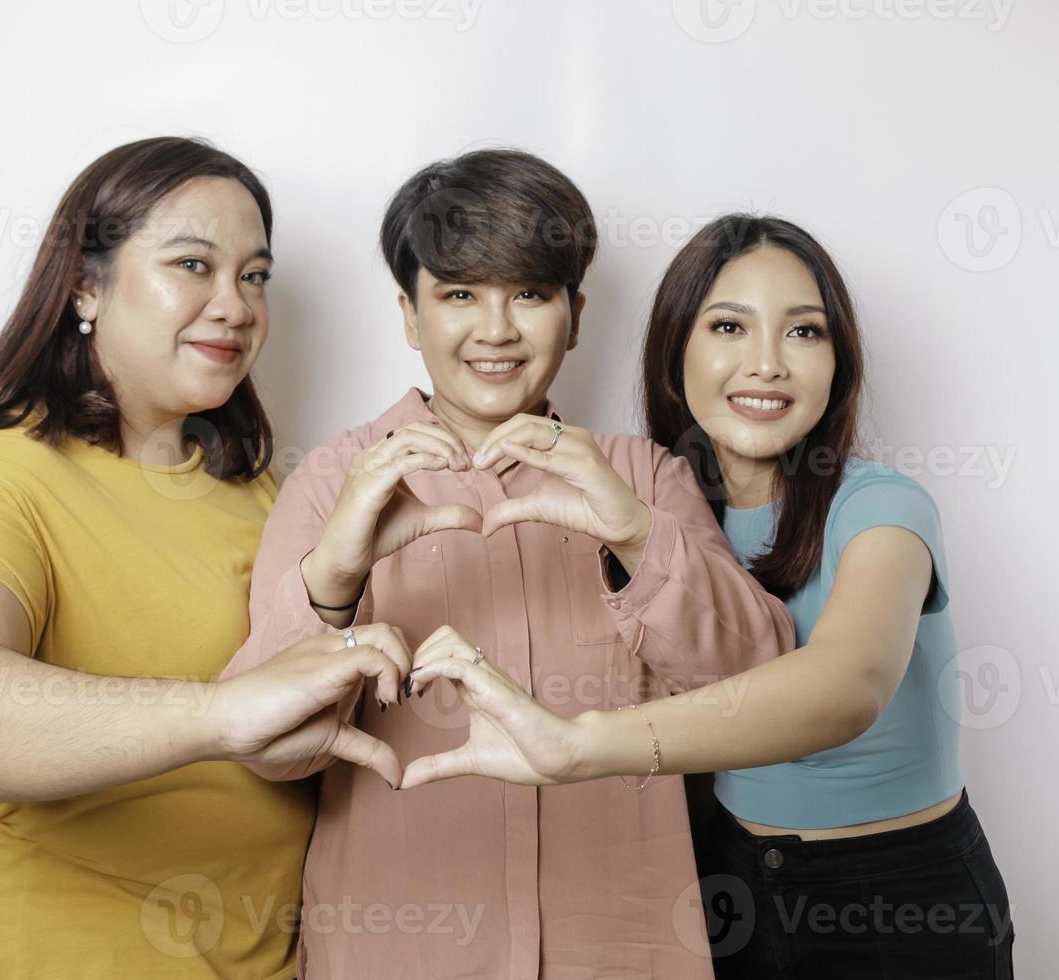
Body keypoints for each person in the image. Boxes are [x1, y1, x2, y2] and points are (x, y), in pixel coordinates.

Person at [0, 136, 412, 979]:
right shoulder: (1, 475)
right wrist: (219, 714)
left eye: (254, 276)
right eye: (193, 264)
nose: (235, 305)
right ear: (84, 285)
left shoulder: (262, 495)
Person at [219, 151, 795, 978]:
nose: (496, 330)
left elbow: (762, 697)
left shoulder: (645, 477)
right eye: (459, 295)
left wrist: (635, 535)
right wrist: (335, 575)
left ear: (576, 312)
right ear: (411, 317)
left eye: (529, 294)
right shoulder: (333, 479)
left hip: (622, 953)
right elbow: (267, 750)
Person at [399, 214, 1016, 978]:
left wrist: (579, 744)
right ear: (676, 351)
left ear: (838, 362)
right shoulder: (662, 509)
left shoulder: (883, 507)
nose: (767, 364)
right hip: (724, 884)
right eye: (729, 326)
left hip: (894, 897)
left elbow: (845, 689)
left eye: (803, 333)